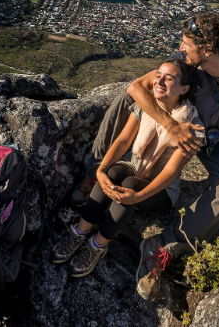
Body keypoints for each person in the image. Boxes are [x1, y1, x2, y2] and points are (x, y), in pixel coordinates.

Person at [70, 11, 219, 300]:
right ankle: (96, 172)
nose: (180, 48)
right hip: (178, 122)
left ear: (206, 50)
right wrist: (171, 125)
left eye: (185, 44)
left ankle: (163, 244)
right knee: (125, 97)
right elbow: (137, 88)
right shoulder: (192, 67)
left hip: (213, 139)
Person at [51, 59, 200, 277]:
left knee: (129, 183)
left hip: (161, 190)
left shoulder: (191, 125)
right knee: (113, 173)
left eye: (169, 78)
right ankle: (80, 230)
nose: (160, 81)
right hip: (134, 165)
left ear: (184, 88)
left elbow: (170, 173)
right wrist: (101, 169)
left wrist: (138, 196)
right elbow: (122, 141)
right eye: (158, 75)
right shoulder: (147, 105)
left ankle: (98, 245)